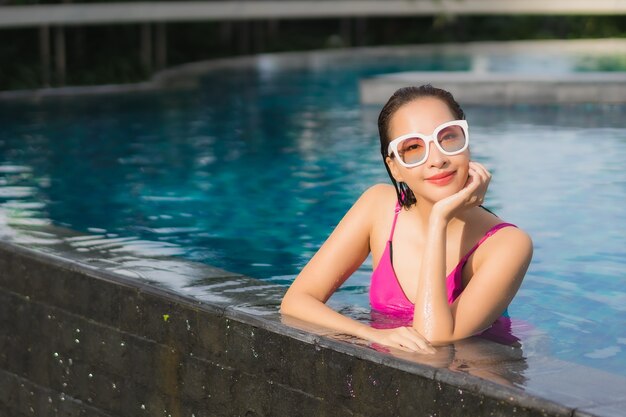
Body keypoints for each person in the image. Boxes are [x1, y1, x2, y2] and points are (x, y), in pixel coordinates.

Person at [280, 85, 533, 354]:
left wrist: (439, 220)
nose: (436, 159)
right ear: (395, 167)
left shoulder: (508, 244)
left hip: (473, 377)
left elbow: (433, 339)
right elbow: (296, 301)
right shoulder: (378, 207)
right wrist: (371, 334)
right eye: (413, 147)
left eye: (447, 138)